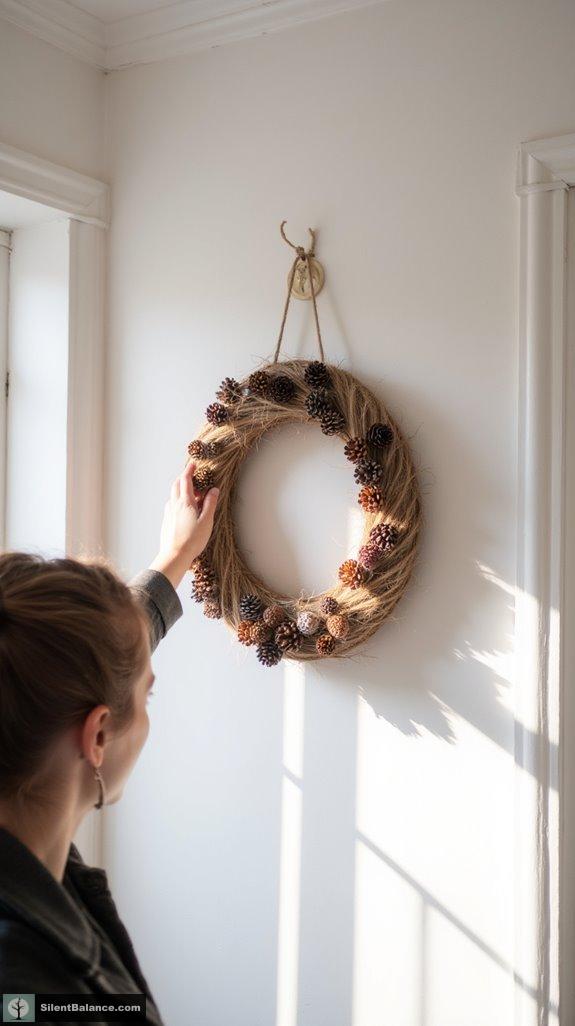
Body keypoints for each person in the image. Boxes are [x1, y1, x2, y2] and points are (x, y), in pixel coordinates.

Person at [0, 459, 218, 1025]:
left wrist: (174, 559)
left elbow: (80, 656)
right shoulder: (30, 991)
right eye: (148, 696)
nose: (146, 710)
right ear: (97, 735)